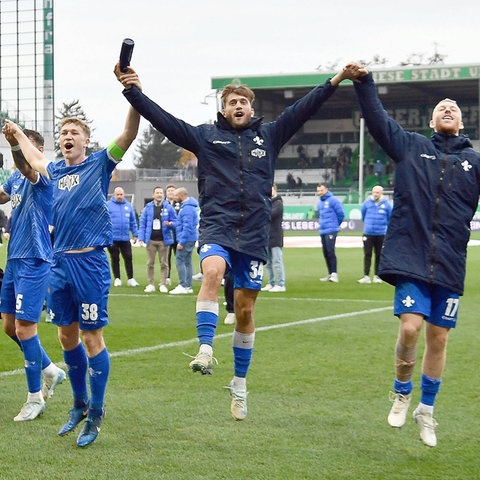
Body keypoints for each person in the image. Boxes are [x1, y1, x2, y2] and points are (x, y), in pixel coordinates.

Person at [116, 62, 360, 421]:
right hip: (217, 225)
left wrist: (337, 79)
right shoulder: (204, 137)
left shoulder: (271, 136)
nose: (238, 106)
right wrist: (132, 91)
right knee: (212, 272)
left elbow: (306, 106)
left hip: (255, 233)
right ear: (223, 109)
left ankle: (240, 385)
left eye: (243, 101)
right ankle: (203, 348)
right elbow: (163, 120)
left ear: (251, 108)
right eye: (231, 102)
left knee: (245, 311)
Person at [3, 72, 140, 447]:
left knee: (93, 337)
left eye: (74, 132)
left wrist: (135, 98)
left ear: (86, 140)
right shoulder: (56, 169)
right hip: (59, 263)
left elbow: (128, 136)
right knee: (66, 334)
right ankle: (78, 403)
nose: (67, 136)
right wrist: (16, 134)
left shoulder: (98, 164)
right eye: (63, 132)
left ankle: (96, 411)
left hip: (91, 262)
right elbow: (32, 157)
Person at [350, 62, 480, 448]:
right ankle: (401, 390)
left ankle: (427, 409)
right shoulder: (411, 147)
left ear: (461, 122)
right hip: (409, 254)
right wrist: (365, 83)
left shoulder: (474, 163)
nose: (448, 108)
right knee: (410, 328)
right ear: (430, 119)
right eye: (441, 106)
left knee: (438, 338)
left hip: (450, 262)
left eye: (453, 108)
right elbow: (376, 119)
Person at [0, 128, 65, 422]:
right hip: (14, 258)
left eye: (26, 146)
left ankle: (34, 397)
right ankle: (51, 369)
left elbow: (26, 167)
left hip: (35, 258)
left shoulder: (42, 175)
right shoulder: (15, 178)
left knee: (26, 329)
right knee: (10, 328)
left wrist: (16, 144)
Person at [138, 186, 176, 293]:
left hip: (164, 240)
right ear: (153, 195)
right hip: (151, 240)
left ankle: (163, 283)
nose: (159, 195)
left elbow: (176, 221)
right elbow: (143, 224)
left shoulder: (168, 207)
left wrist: (170, 224)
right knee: (150, 263)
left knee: (164, 263)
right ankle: (150, 284)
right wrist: (141, 238)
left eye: (161, 193)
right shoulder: (147, 208)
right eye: (157, 193)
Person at [357, 185, 392, 284]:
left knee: (379, 255)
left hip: (381, 233)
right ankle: (366, 275)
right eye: (374, 192)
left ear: (382, 193)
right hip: (368, 233)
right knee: (367, 254)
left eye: (377, 192)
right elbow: (363, 216)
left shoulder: (387, 205)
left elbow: (390, 218)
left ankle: (377, 275)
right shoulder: (367, 203)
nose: (375, 194)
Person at [107, 186, 139, 287]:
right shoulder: (108, 205)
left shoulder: (128, 206)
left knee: (128, 257)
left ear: (124, 195)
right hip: (113, 238)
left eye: (121, 194)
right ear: (114, 195)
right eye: (118, 195)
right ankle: (117, 278)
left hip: (125, 238)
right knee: (115, 258)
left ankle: (130, 278)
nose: (120, 196)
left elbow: (133, 221)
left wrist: (135, 234)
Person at [169, 187, 199, 295]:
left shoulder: (187, 209)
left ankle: (183, 285)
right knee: (187, 262)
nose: (175, 198)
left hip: (186, 239)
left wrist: (182, 242)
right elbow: (181, 223)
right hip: (190, 238)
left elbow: (187, 227)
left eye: (176, 195)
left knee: (180, 260)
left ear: (182, 195)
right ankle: (188, 286)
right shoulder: (188, 207)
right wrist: (172, 224)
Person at [316, 183, 344, 283]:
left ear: (326, 190)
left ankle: (334, 274)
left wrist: (335, 225)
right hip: (323, 230)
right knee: (326, 252)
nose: (319, 192)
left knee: (330, 251)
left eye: (321, 190)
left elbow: (341, 214)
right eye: (318, 191)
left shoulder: (333, 200)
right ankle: (330, 273)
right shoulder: (319, 203)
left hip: (331, 229)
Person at [261, 184, 286, 292]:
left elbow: (270, 215)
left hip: (276, 236)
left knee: (277, 261)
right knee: (268, 262)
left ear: (275, 189)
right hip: (267, 236)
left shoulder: (278, 203)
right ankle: (271, 282)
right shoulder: (267, 202)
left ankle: (280, 283)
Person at [165, 183, 180, 286]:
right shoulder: (163, 204)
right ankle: (167, 277)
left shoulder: (179, 204)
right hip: (166, 235)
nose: (171, 192)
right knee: (166, 258)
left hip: (177, 235)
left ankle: (181, 278)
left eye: (172, 191)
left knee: (179, 258)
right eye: (169, 190)